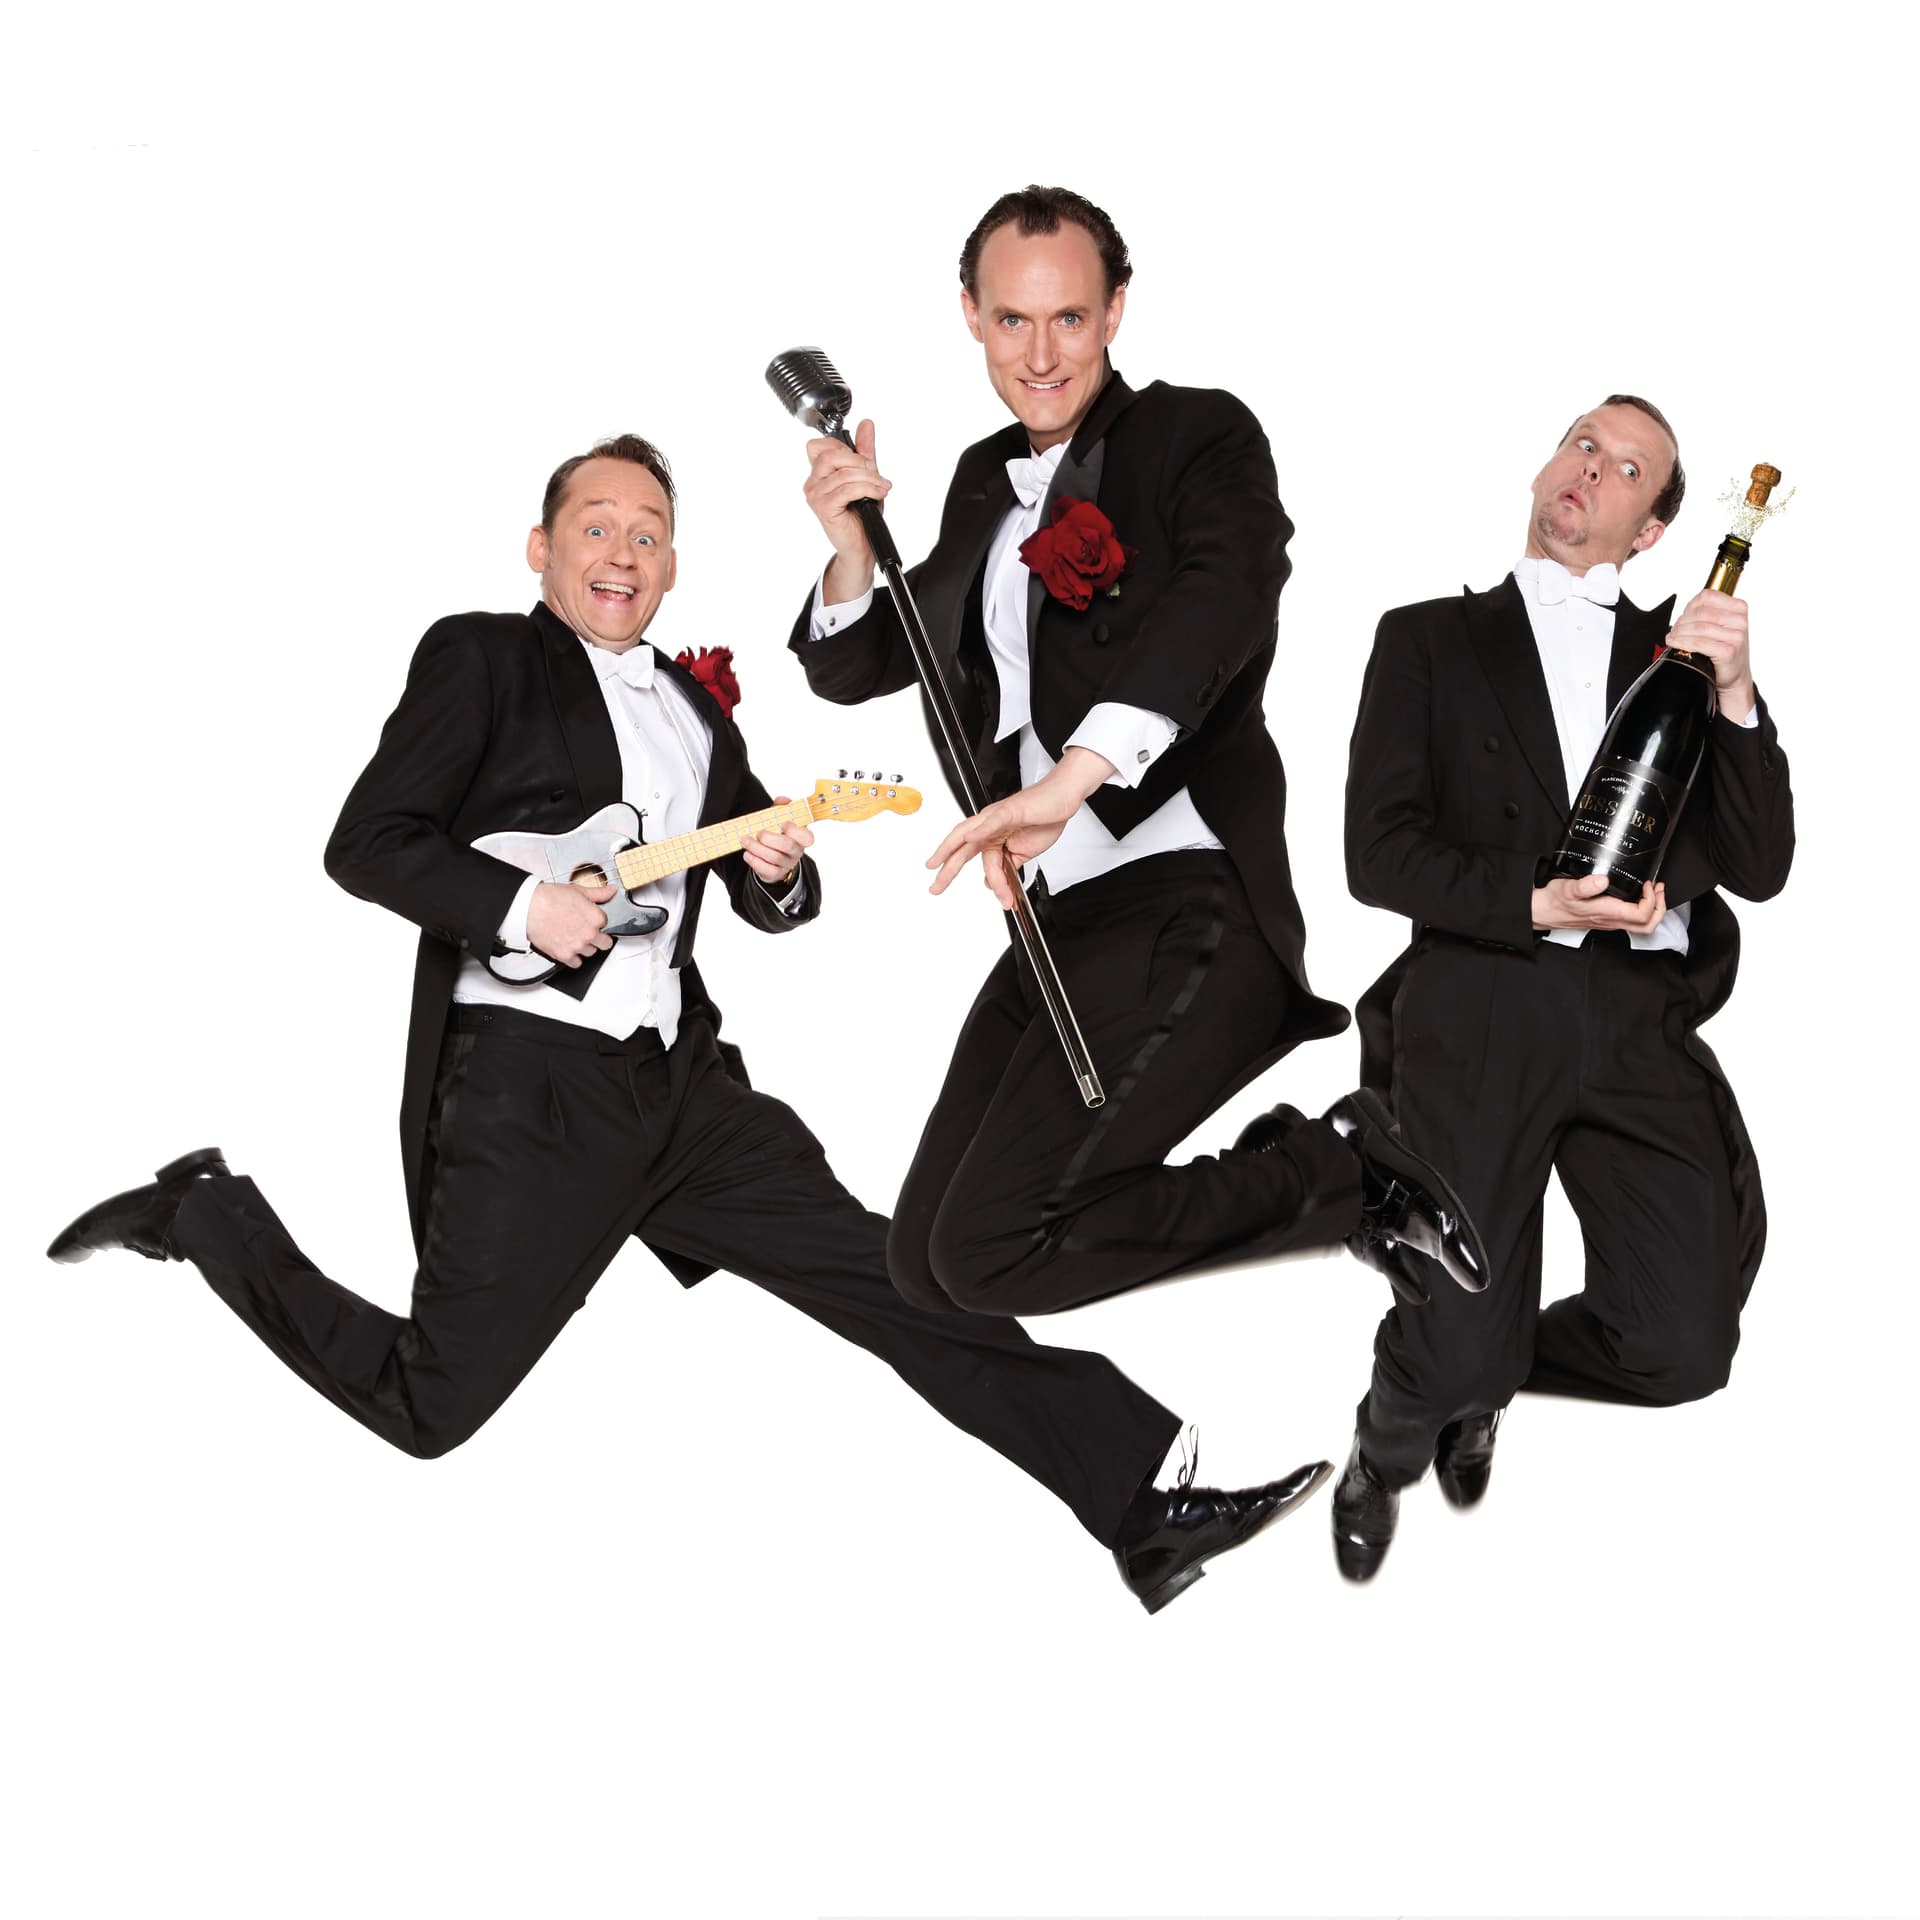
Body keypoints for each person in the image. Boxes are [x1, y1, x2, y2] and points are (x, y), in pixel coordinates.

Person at [46, 433, 1317, 1614]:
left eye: (649, 534)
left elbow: (769, 900)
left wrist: (778, 870)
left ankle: (1141, 1501)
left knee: (893, 1280)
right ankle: (204, 1213)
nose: (623, 552)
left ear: (672, 566)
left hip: (686, 1095)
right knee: (431, 1408)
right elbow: (367, 842)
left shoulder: (697, 713)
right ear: (541, 548)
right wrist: (521, 905)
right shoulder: (479, 659)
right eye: (596, 527)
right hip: (533, 1097)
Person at [789, 185, 1487, 1534]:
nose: (1040, 352)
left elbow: (1222, 601)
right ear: (970, 317)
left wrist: (1072, 776)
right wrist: (849, 547)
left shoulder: (1194, 435)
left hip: (1186, 897)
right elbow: (870, 658)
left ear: (1116, 309)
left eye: (1069, 317)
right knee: (928, 1267)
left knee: (991, 1248)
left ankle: (1344, 1175)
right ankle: (1148, 1480)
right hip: (1056, 923)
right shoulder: (981, 481)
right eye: (1011, 320)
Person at [1331, 396, 1796, 1579]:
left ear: (1653, 531)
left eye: (1629, 468)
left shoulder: (1683, 659)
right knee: (1455, 1348)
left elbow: (1762, 865)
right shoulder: (1426, 638)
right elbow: (1376, 857)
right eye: (1584, 443)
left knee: (1685, 1346)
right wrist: (1540, 901)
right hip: (1483, 1007)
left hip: (1637, 1022)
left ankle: (1483, 1370)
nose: (1593, 468)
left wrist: (1737, 695)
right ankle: (1391, 1442)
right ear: (1547, 465)